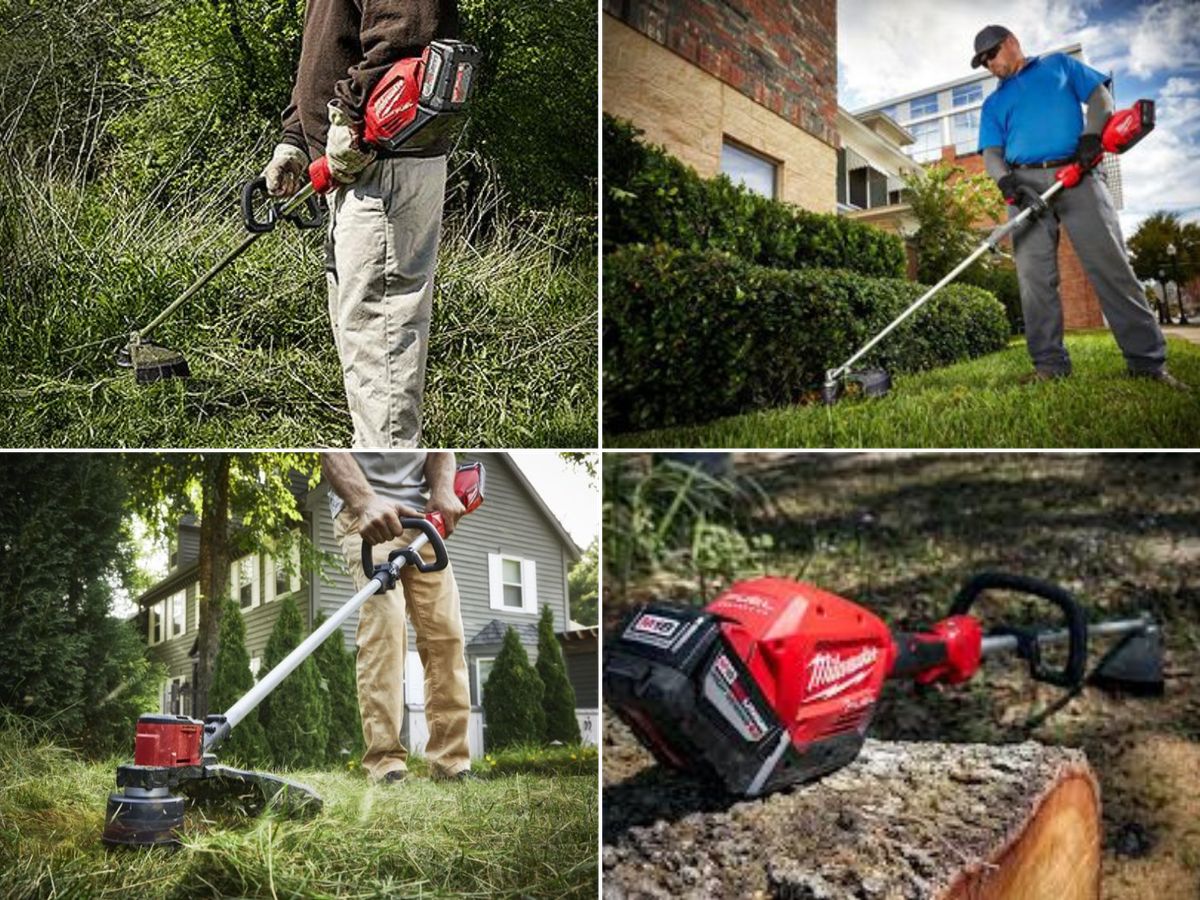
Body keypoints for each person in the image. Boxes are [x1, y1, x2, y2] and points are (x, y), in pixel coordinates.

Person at [267, 1, 462, 448]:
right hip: (359, 167)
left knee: (381, 341)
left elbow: (406, 34)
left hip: (384, 165)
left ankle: (390, 487)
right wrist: (297, 139)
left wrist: (350, 120)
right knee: (363, 336)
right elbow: (329, 46)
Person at [972, 25, 1189, 391]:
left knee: (1112, 266)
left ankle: (1147, 362)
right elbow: (993, 153)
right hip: (1025, 187)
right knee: (1034, 282)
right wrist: (1007, 183)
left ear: (1010, 42)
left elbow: (1100, 97)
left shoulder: (1058, 65)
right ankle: (1049, 366)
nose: (990, 64)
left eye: (992, 54)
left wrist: (1091, 137)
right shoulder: (993, 103)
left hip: (1080, 174)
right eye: (983, 62)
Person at [321, 450, 475, 783]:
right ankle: (385, 765)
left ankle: (452, 764)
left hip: (421, 518)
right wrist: (365, 503)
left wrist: (443, 488)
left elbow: (440, 450)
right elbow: (328, 448)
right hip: (365, 515)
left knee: (446, 633)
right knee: (386, 623)